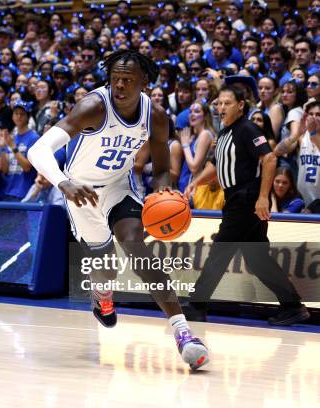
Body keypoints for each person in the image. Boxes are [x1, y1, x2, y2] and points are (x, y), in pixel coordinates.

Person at [28, 49, 209, 370]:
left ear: (144, 82)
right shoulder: (92, 107)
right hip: (80, 192)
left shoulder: (154, 115)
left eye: (127, 80)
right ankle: (102, 293)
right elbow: (37, 149)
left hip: (117, 187)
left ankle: (183, 332)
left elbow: (164, 167)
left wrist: (163, 188)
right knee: (105, 267)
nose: (120, 86)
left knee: (137, 250)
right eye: (115, 80)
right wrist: (62, 182)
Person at [184, 85, 309, 326]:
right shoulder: (223, 133)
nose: (221, 108)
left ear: (241, 105)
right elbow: (215, 166)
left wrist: (263, 197)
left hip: (246, 198)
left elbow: (270, 158)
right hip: (234, 198)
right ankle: (293, 306)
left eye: (227, 103)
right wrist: (195, 183)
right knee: (257, 258)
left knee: (220, 250)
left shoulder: (247, 128)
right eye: (218, 103)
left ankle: (197, 305)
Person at [274, 100, 320, 207]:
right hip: (303, 199)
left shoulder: (312, 134)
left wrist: (313, 132)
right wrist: (296, 134)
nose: (313, 117)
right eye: (311, 114)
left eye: (318, 114)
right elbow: (277, 151)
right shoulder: (302, 137)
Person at [0, 101, 39, 201]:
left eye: (22, 114)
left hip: (24, 192)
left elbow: (27, 167)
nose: (18, 116)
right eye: (16, 113)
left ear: (28, 117)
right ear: (12, 116)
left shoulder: (34, 138)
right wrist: (2, 148)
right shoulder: (12, 138)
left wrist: (12, 147)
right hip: (8, 191)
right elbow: (5, 170)